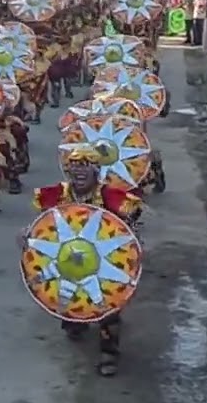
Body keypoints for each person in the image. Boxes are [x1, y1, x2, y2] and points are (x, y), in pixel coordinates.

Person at [32, 143, 143, 377]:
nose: (79, 171)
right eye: (74, 166)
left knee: (109, 307)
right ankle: (75, 321)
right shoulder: (57, 195)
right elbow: (43, 226)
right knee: (71, 304)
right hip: (68, 259)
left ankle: (109, 351)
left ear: (96, 171)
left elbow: (130, 222)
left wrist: (128, 229)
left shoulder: (109, 196)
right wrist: (28, 236)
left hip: (105, 261)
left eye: (85, 166)